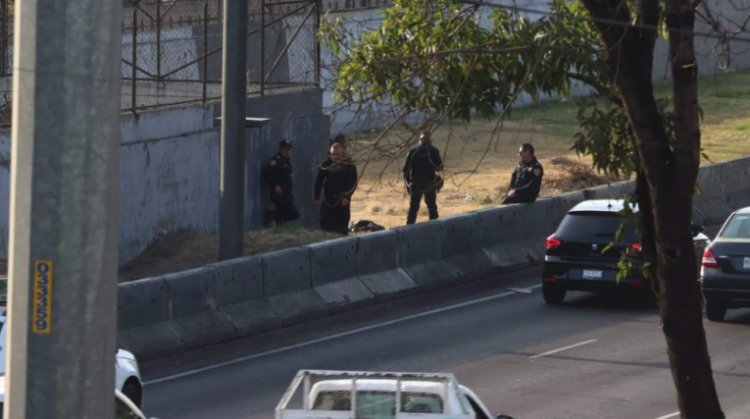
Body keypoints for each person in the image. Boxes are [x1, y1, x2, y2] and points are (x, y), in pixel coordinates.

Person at [314, 143, 358, 235]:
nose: (335, 156)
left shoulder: (348, 164)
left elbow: (353, 182)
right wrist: (316, 197)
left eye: (337, 154)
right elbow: (319, 181)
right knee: (326, 221)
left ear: (342, 154)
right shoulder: (327, 163)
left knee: (341, 224)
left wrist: (347, 197)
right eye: (333, 154)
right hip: (329, 198)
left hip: (342, 199)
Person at [403, 131, 443, 225]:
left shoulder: (412, 152)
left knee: (413, 208)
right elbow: (439, 167)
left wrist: (409, 182)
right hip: (429, 183)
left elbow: (405, 169)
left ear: (419, 140)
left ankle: (409, 228)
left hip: (416, 184)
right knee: (432, 207)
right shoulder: (434, 151)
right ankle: (435, 227)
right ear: (430, 140)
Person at [262, 140, 300, 226]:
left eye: (289, 149)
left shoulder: (286, 161)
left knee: (282, 215)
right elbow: (266, 174)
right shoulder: (276, 161)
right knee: (294, 214)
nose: (288, 151)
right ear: (280, 149)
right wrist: (275, 185)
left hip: (287, 193)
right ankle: (270, 215)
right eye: (285, 149)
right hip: (279, 194)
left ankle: (278, 227)